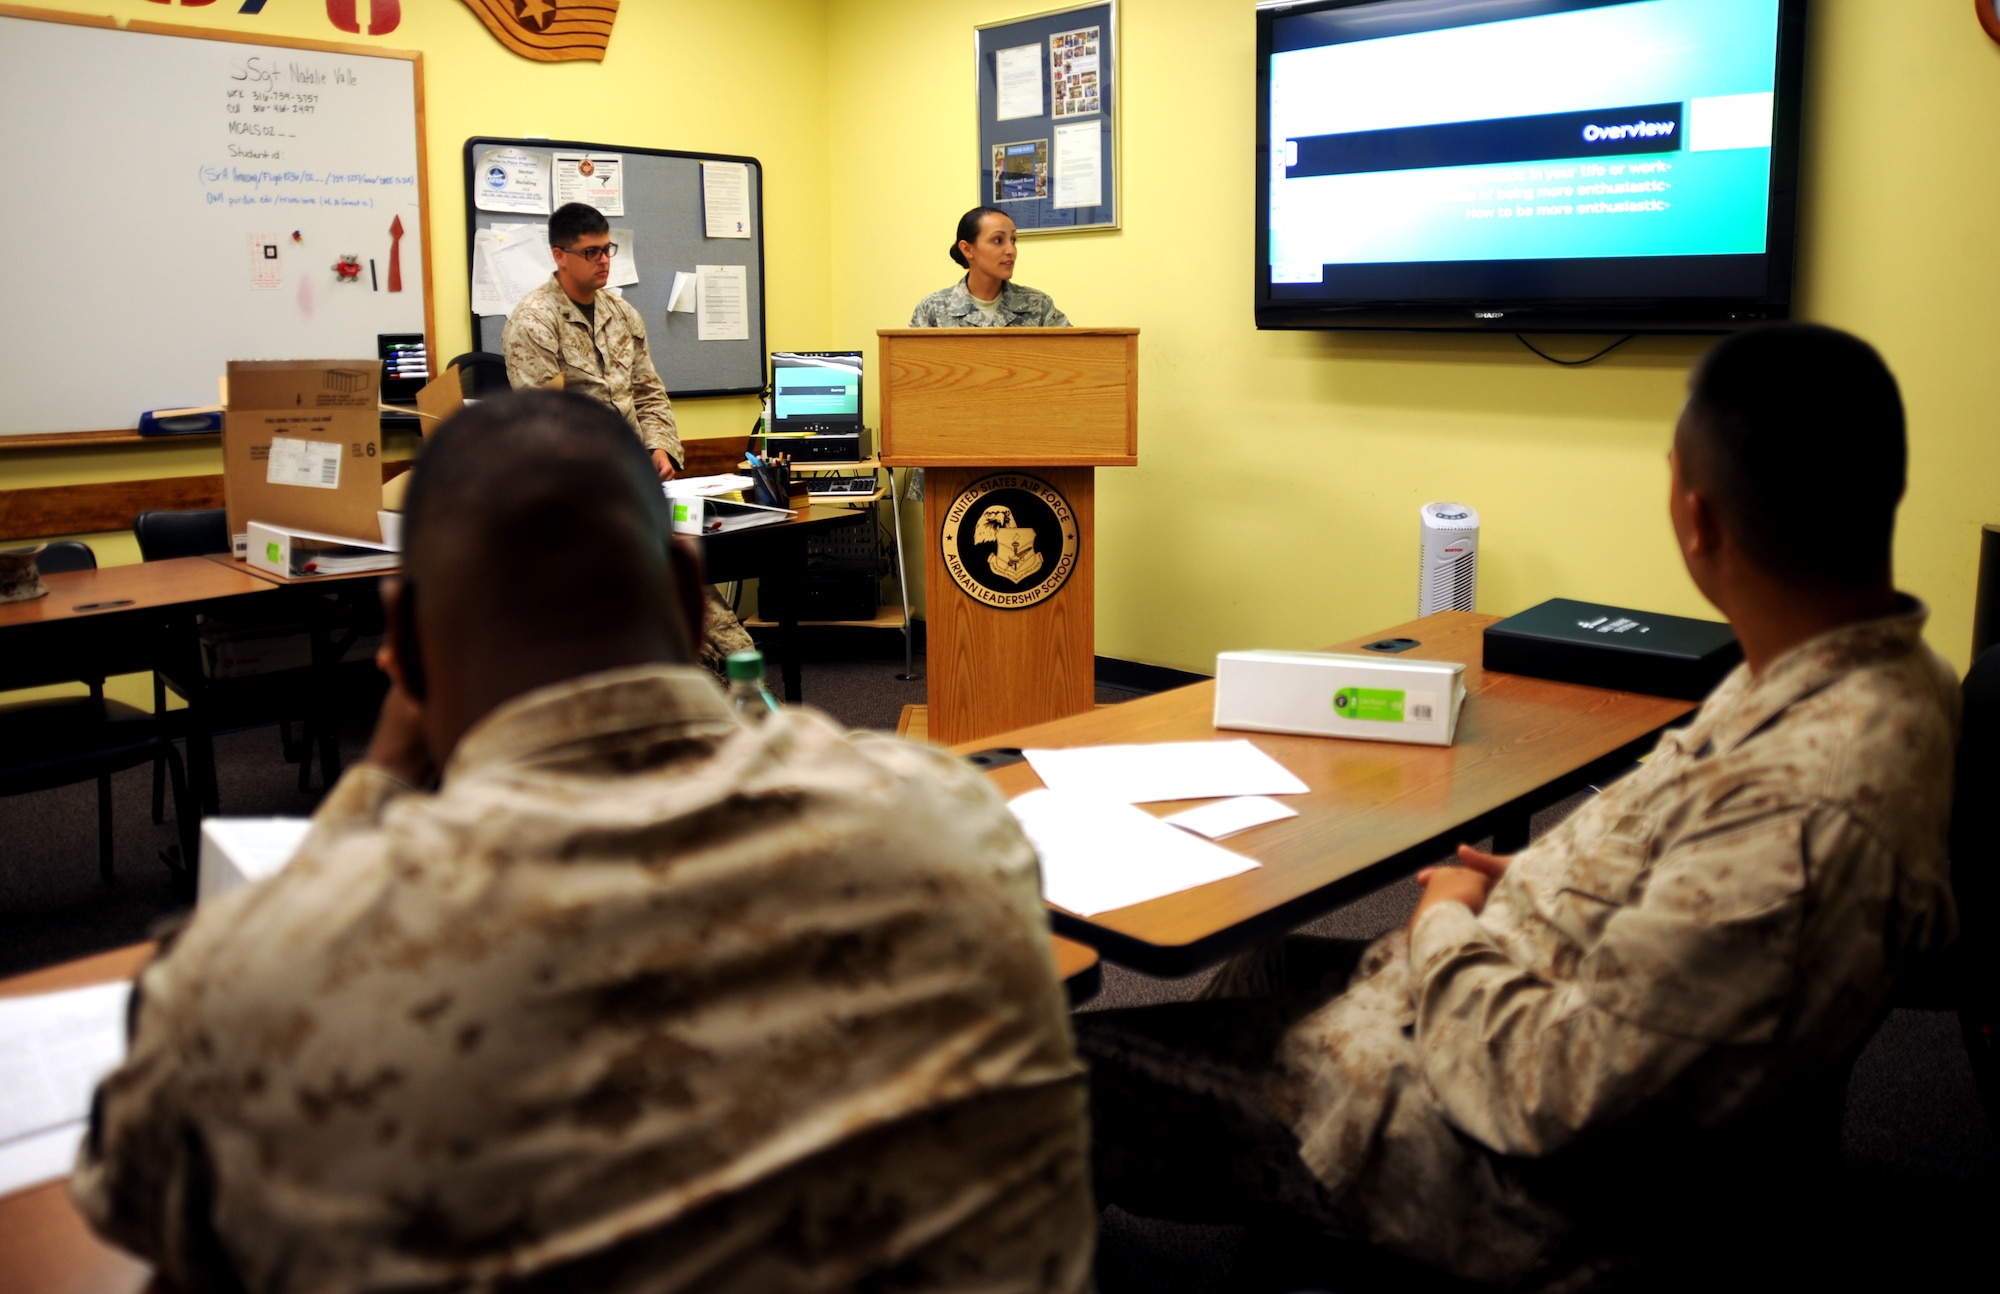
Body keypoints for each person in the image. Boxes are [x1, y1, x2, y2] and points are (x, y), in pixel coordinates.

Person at [72, 390, 1096, 1293]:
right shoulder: (951, 820)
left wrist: (376, 780)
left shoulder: (263, 972)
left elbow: (130, 1196)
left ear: (406, 645)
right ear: (692, 597)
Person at [1076, 323, 1960, 1287]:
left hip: (1490, 1159)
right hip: (1518, 989)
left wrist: (1448, 923)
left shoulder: (1805, 808)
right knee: (1260, 953)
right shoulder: (1866, 672)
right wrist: (1529, 878)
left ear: (1697, 521)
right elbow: (1684, 882)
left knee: (1051, 1073)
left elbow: (1562, 1088)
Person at [503, 202, 681, 481]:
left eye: (607, 249)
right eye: (591, 252)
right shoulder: (534, 321)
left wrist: (659, 447)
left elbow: (647, 391)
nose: (604, 260)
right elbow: (542, 420)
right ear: (560, 256)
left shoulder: (622, 312)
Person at [909, 206, 1070, 327]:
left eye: (1013, 240)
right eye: (998, 240)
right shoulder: (933, 309)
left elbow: (1075, 359)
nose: (1011, 250)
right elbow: (909, 367)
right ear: (967, 249)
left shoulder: (1038, 305)